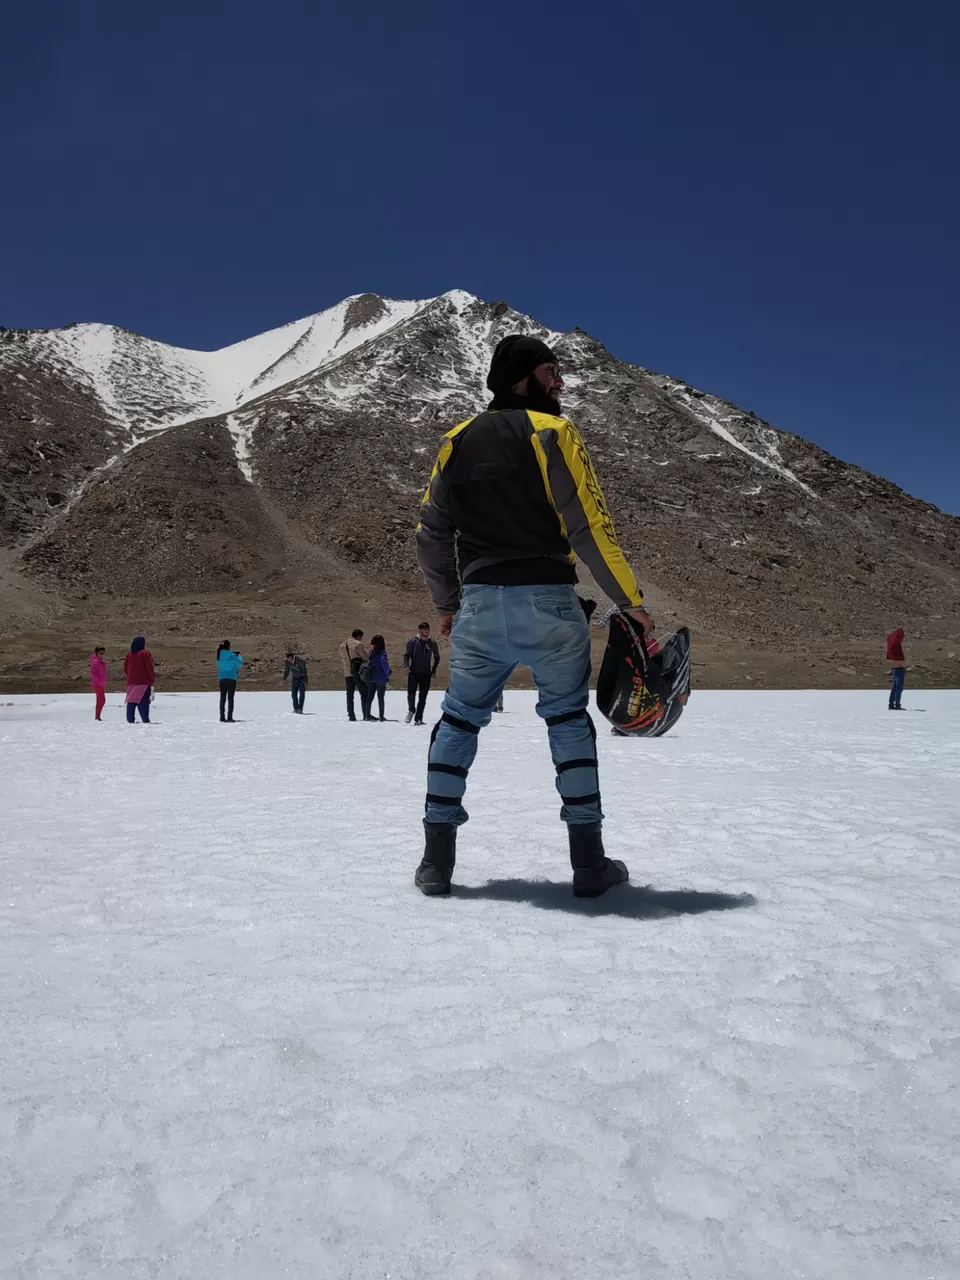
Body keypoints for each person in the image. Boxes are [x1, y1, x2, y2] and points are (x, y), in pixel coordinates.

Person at [414, 333, 654, 898]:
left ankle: (436, 862)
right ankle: (589, 862)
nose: (561, 383)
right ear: (522, 378)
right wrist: (630, 602)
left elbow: (430, 534)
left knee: (458, 721)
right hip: (548, 598)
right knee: (568, 720)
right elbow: (589, 524)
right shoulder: (554, 432)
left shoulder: (454, 441)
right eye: (552, 373)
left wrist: (448, 605)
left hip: (477, 606)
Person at [404, 622, 440, 724]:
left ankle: (418, 718)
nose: (427, 632)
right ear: (420, 631)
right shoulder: (413, 642)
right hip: (414, 673)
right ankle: (411, 710)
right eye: (425, 630)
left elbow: (437, 657)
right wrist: (406, 666)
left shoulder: (431, 643)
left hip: (426, 674)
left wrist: (434, 670)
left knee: (423, 697)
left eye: (428, 630)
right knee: (411, 694)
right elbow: (407, 655)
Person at [124, 636, 155, 724]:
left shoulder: (129, 654)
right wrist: (152, 678)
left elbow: (125, 667)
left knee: (131, 701)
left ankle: (130, 720)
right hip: (144, 682)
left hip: (131, 682)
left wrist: (130, 676)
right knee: (143, 701)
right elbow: (149, 667)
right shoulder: (145, 654)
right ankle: (145, 719)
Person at [338, 629, 368, 722]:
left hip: (347, 673)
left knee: (350, 695)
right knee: (364, 693)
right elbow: (365, 657)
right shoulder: (358, 644)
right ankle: (366, 715)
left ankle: (351, 715)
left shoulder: (342, 645)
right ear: (359, 636)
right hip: (357, 673)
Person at [364, 635, 391, 721]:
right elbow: (384, 664)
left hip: (372, 677)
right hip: (381, 678)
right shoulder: (383, 653)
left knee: (369, 698)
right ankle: (381, 716)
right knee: (380, 698)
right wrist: (387, 675)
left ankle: (367, 716)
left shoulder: (371, 652)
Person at [216, 640, 244, 722]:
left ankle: (222, 717)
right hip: (231, 678)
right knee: (230, 698)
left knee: (222, 698)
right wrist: (240, 656)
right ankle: (229, 717)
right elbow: (240, 664)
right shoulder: (232, 656)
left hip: (222, 678)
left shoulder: (218, 656)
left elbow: (218, 662)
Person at [887, 626, 906, 710]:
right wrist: (900, 631)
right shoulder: (895, 646)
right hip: (899, 670)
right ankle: (897, 705)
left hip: (896, 669)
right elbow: (897, 639)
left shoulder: (893, 646)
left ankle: (891, 704)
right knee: (898, 688)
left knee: (895, 687)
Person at [90, 645, 108, 721]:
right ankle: (97, 717)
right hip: (98, 684)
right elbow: (94, 674)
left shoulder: (99, 661)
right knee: (101, 700)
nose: (102, 655)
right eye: (100, 653)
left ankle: (97, 716)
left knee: (100, 700)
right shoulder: (96, 662)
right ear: (97, 653)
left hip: (100, 683)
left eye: (103, 653)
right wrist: (100, 681)